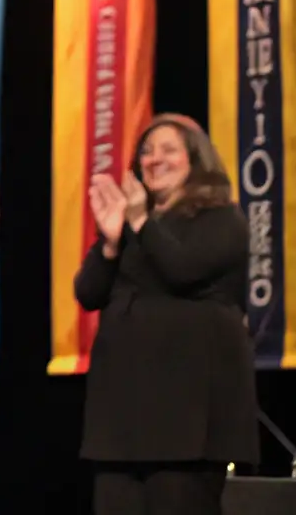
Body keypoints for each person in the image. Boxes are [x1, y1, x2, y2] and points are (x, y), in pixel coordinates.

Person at [77, 113, 258, 515]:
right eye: (146, 151)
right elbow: (87, 293)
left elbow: (183, 269)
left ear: (196, 160)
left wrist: (139, 220)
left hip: (186, 420)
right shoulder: (134, 228)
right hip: (123, 419)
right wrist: (109, 243)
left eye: (168, 150)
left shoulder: (221, 218)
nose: (154, 159)